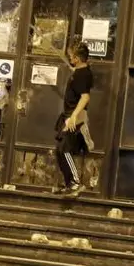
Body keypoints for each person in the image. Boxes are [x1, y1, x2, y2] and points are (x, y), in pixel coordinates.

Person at [54, 42, 95, 196]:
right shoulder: (83, 71)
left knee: (64, 149)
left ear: (77, 59)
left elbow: (85, 97)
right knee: (60, 150)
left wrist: (73, 117)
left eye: (71, 56)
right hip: (70, 115)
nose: (70, 58)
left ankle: (76, 182)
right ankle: (69, 183)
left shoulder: (82, 74)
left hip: (73, 116)